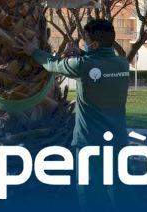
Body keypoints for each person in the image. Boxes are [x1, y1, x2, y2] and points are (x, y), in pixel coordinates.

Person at [17, 19, 132, 212]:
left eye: (86, 41)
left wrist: (33, 50)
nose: (84, 43)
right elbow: (98, 65)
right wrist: (82, 53)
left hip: (90, 141)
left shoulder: (82, 65)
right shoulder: (122, 64)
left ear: (94, 44)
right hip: (118, 140)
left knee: (91, 192)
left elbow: (53, 64)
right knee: (121, 191)